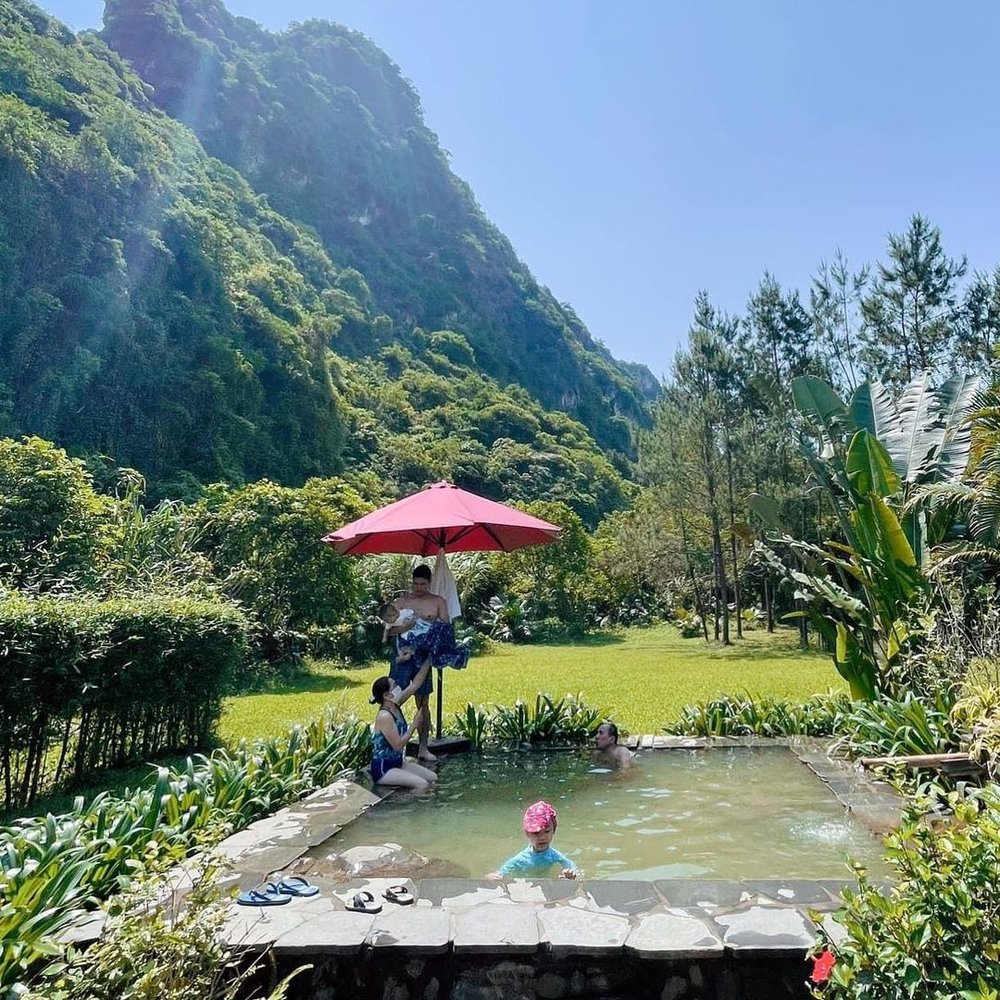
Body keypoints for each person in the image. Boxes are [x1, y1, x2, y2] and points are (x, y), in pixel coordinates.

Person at [384, 564, 469, 762]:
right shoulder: (401, 602)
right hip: (403, 656)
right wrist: (403, 626)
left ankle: (423, 747)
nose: (419, 587)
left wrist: (436, 644)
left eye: (423, 584)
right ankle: (392, 746)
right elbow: (387, 631)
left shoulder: (438, 601)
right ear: (411, 582)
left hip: (424, 657)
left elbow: (446, 630)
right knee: (394, 698)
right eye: (415, 584)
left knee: (422, 702)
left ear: (429, 583)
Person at [369, 661, 438, 790]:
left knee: (432, 777)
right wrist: (414, 724)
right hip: (384, 768)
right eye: (394, 685)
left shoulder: (395, 704)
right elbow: (398, 745)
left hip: (398, 763)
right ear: (387, 695)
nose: (398, 687)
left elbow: (415, 685)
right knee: (421, 784)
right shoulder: (385, 716)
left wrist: (428, 661)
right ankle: (408, 806)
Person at [489, 800, 578, 879]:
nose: (542, 837)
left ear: (553, 831)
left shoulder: (555, 856)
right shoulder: (520, 859)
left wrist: (571, 875)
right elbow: (500, 874)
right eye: (536, 833)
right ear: (527, 834)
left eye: (547, 831)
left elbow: (575, 870)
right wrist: (493, 877)